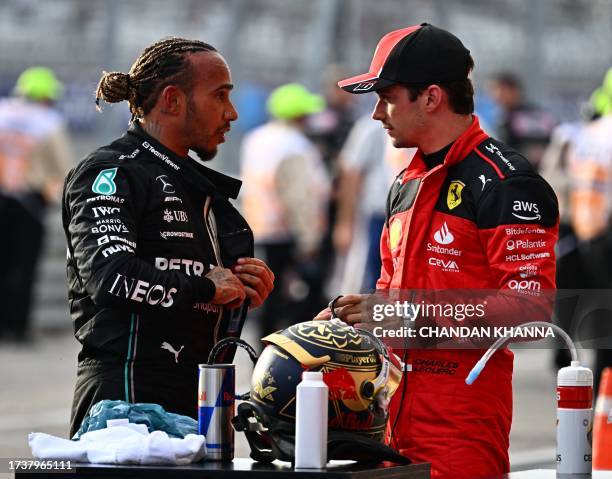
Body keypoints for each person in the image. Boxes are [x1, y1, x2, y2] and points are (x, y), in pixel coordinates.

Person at [315, 23, 559, 478]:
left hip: (460, 427)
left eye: (387, 97)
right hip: (389, 420)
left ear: (431, 97)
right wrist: (349, 322)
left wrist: (398, 315)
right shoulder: (406, 181)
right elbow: (392, 295)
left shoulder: (508, 183)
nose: (376, 114)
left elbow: (530, 313)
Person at [63, 38, 274, 436]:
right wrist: (204, 289)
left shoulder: (200, 189)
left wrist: (242, 288)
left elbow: (206, 290)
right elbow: (109, 278)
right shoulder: (111, 172)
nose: (231, 113)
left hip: (203, 399)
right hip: (124, 405)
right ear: (173, 101)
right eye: (220, 96)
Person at [240, 83, 330, 335]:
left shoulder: (256, 139)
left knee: (266, 294)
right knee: (306, 293)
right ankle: (292, 344)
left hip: (258, 226)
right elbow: (299, 196)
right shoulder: (296, 145)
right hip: (288, 230)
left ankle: (262, 346)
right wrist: (309, 239)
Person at [0, 66, 73, 342]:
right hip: (29, 204)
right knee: (23, 268)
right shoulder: (48, 122)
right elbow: (63, 168)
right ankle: (16, 328)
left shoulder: (2, 112)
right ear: (45, 96)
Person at [488, 71, 556, 170]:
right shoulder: (540, 113)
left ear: (513, 90)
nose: (495, 96)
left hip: (523, 170)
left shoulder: (509, 117)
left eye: (499, 90)